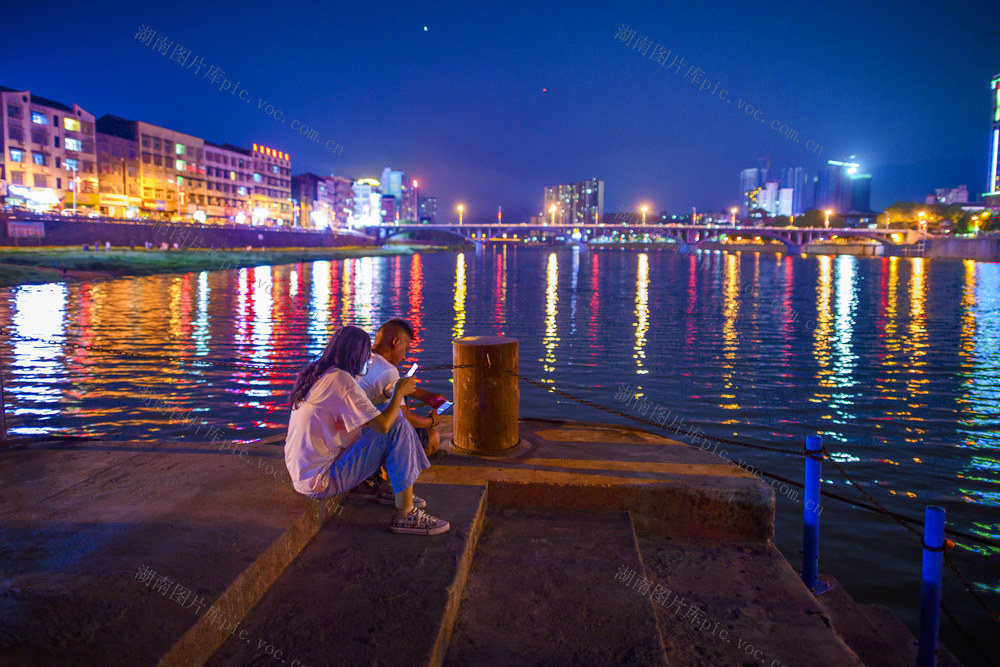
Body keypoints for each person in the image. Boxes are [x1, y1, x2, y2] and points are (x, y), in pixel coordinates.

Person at [284, 325, 450, 535]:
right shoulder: (341, 380)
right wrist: (398, 393)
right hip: (321, 480)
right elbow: (383, 425)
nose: (369, 360)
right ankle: (405, 514)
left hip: (305, 473)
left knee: (390, 417)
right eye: (365, 355)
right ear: (354, 354)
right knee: (397, 424)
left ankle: (393, 488)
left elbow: (363, 413)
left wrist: (386, 394)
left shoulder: (323, 375)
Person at [357, 318, 449, 460]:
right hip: (366, 439)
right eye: (406, 349)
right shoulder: (387, 370)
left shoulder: (361, 358)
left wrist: (427, 397)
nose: (405, 357)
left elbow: (393, 387)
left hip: (351, 432)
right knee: (432, 437)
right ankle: (389, 467)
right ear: (396, 342)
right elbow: (407, 420)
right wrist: (431, 420)